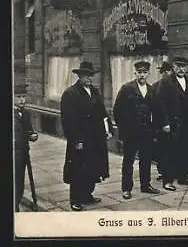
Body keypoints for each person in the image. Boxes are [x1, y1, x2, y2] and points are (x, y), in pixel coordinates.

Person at [60, 61, 112, 211]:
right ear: (79, 76)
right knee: (78, 168)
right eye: (86, 76)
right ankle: (75, 199)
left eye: (91, 75)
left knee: (93, 168)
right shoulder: (70, 93)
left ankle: (87, 195)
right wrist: (76, 140)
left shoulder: (95, 92)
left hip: (95, 138)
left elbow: (102, 113)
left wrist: (107, 129)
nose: (89, 78)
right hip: (81, 139)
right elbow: (68, 120)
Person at [154, 57, 188, 189]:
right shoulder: (166, 82)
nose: (181, 69)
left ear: (187, 68)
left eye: (184, 66)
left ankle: (183, 177)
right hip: (173, 123)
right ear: (173, 67)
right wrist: (164, 123)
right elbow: (160, 104)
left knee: (186, 150)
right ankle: (168, 180)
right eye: (178, 66)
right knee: (170, 152)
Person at [114, 61, 160, 199]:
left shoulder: (152, 90)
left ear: (148, 74)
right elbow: (117, 110)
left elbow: (156, 110)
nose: (142, 75)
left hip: (146, 132)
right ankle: (126, 188)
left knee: (145, 160)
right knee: (128, 160)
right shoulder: (127, 88)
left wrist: (154, 129)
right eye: (139, 72)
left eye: (144, 72)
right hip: (131, 132)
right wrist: (123, 128)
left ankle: (145, 185)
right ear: (135, 73)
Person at [14, 83, 38, 212]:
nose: (22, 100)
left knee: (19, 182)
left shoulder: (25, 113)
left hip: (22, 155)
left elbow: (29, 131)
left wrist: (33, 136)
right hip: (13, 154)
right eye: (18, 97)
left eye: (24, 96)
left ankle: (16, 204)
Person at [152, 61, 172, 182]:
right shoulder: (155, 86)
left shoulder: (174, 85)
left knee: (171, 148)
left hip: (173, 122)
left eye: (168, 71)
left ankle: (171, 171)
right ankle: (162, 172)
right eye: (164, 72)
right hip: (159, 123)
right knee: (161, 149)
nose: (166, 73)